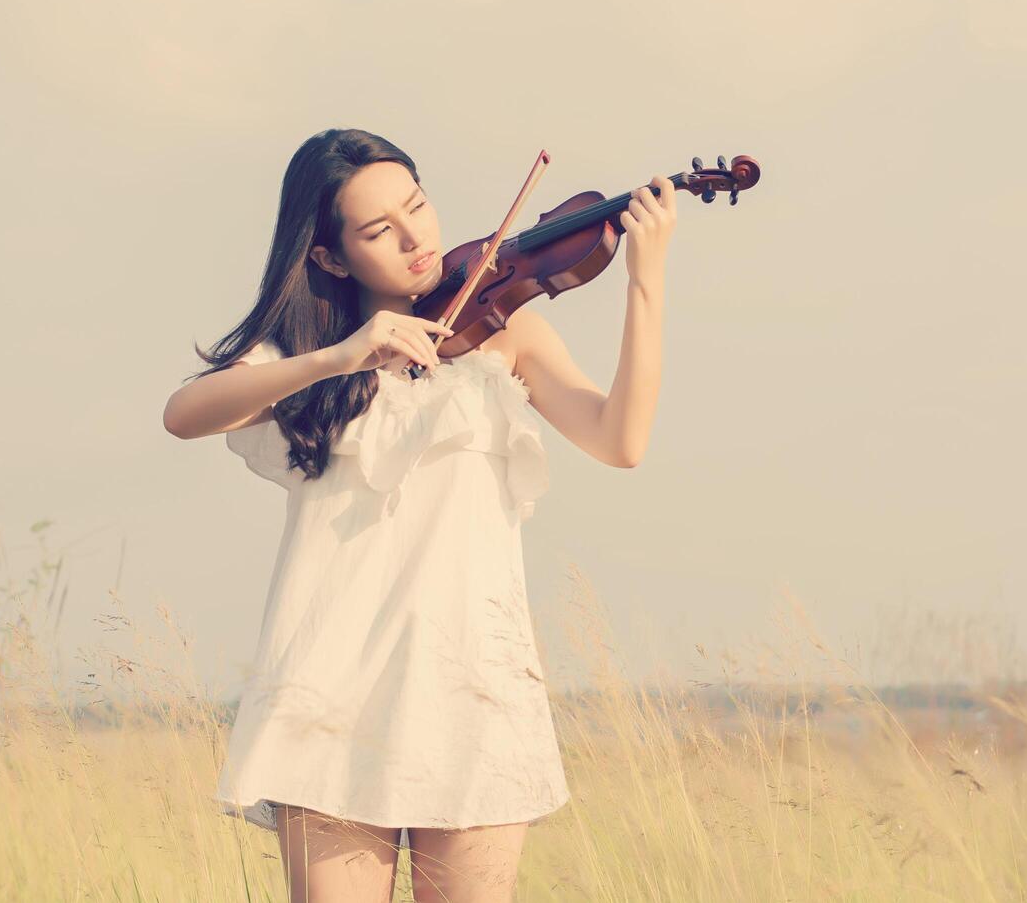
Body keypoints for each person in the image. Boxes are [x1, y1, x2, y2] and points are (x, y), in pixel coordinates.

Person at [162, 127, 673, 902]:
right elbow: (185, 412)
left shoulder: (507, 329)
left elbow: (620, 440)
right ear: (330, 256)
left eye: (418, 206)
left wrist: (646, 281)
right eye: (379, 230)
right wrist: (344, 356)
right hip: (327, 691)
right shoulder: (309, 350)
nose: (416, 240)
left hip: (472, 686)